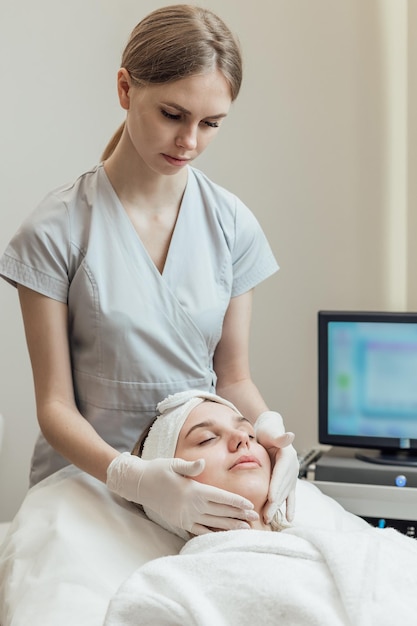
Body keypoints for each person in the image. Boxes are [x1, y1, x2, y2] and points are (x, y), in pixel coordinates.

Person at [0, 4, 298, 536]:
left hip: (205, 491)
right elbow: (54, 406)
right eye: (172, 114)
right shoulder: (55, 230)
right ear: (125, 89)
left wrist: (273, 438)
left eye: (210, 124)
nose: (189, 142)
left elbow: (233, 378)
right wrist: (132, 477)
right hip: (87, 487)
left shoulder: (232, 224)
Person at [131, 389, 291, 538]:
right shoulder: (173, 569)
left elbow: (235, 380)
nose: (242, 438)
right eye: (207, 439)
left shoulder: (311, 540)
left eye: (250, 434)